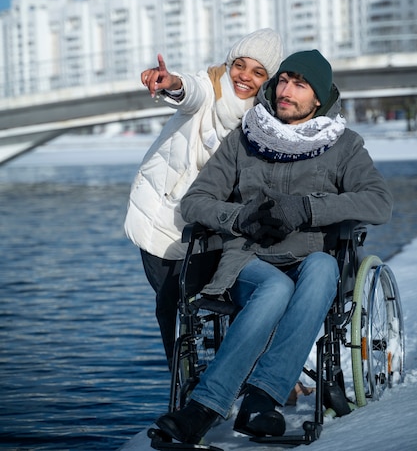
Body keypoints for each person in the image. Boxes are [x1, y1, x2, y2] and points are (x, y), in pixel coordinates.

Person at [154, 49, 393, 443]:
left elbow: (378, 202)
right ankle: (203, 408)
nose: (286, 90)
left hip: (312, 256)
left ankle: (260, 399)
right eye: (283, 80)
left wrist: (307, 209)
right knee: (275, 288)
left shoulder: (344, 145)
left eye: (299, 84)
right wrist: (239, 217)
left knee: (321, 269)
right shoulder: (245, 138)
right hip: (248, 257)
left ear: (319, 99)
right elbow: (196, 201)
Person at [124, 28, 284, 369]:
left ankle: (237, 368)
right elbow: (189, 91)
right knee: (170, 302)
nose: (244, 77)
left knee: (230, 295)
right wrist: (170, 83)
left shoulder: (263, 117)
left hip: (217, 222)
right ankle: (182, 380)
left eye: (258, 72)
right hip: (166, 217)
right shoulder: (209, 89)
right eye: (240, 65)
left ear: (267, 80)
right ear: (229, 64)